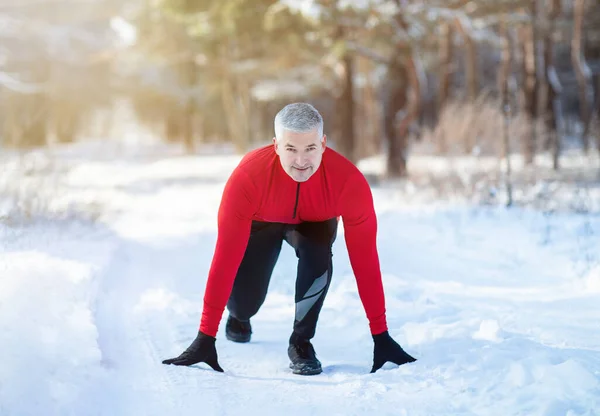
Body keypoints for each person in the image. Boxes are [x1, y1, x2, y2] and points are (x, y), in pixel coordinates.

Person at [162, 102, 416, 375]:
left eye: (310, 148)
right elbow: (225, 257)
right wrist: (205, 337)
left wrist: (381, 335)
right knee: (245, 303)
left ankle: (301, 342)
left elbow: (365, 261)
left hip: (314, 224)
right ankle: (239, 318)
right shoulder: (248, 178)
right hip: (262, 222)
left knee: (318, 252)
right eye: (291, 149)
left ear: (323, 143)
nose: (301, 161)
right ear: (276, 146)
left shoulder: (348, 183)